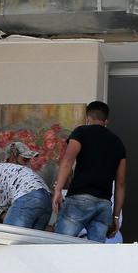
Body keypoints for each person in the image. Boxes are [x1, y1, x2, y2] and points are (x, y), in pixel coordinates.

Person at [52, 100, 127, 242]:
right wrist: (115, 217)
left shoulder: (81, 132)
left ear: (87, 118)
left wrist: (58, 190)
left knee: (61, 245)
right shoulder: (118, 143)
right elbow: (120, 184)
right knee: (95, 255)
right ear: (106, 121)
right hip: (104, 205)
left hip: (79, 199)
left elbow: (68, 161)